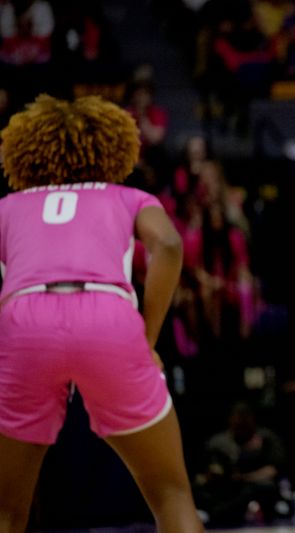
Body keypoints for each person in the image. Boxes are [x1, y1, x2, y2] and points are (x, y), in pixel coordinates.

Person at [0, 95, 203, 532]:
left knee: (6, 509)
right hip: (107, 314)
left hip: (24, 317)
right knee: (171, 493)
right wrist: (146, 339)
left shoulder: (7, 207)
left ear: (24, 152)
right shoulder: (130, 196)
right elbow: (167, 245)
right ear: (114, 149)